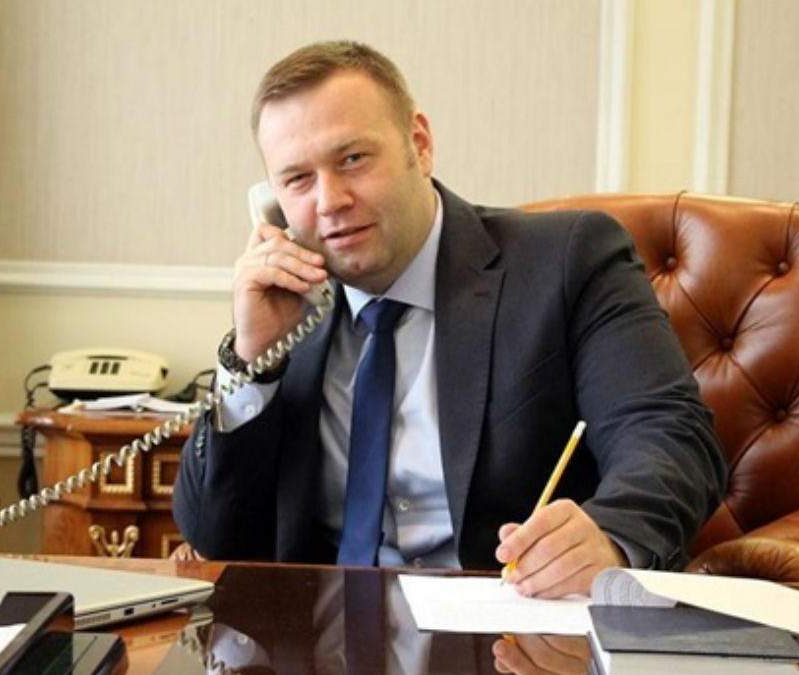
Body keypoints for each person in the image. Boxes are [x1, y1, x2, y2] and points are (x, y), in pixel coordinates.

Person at [174, 40, 726, 598]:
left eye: (353, 159)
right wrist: (251, 360)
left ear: (419, 144)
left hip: (507, 624)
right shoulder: (288, 314)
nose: (330, 200)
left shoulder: (568, 261)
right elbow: (215, 536)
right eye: (297, 179)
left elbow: (668, 433)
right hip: (317, 629)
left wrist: (610, 534)